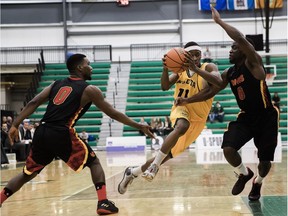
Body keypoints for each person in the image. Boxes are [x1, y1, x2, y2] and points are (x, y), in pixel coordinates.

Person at [1, 53, 154, 215]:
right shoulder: (90, 90)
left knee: (27, 173)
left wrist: (15, 124)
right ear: (80, 68)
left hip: (42, 131)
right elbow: (113, 114)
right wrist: (138, 125)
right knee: (94, 162)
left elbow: (33, 102)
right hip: (61, 131)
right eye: (88, 64)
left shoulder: (56, 84)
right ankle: (103, 202)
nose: (91, 67)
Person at [176, 6, 279, 201]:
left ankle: (257, 183)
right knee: (228, 149)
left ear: (243, 50)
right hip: (246, 117)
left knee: (265, 163)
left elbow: (240, 38)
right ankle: (244, 173)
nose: (230, 50)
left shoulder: (254, 63)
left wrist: (220, 22)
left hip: (266, 116)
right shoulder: (230, 73)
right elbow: (209, 91)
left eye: (234, 48)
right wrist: (187, 98)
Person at [117, 41, 220, 194]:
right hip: (181, 109)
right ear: (185, 56)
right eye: (191, 54)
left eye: (197, 54)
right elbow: (165, 86)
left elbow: (217, 81)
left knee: (167, 155)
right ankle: (155, 166)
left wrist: (195, 69)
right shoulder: (180, 71)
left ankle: (133, 172)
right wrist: (165, 68)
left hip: (199, 119)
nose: (194, 57)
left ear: (201, 56)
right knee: (181, 126)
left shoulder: (208, 67)